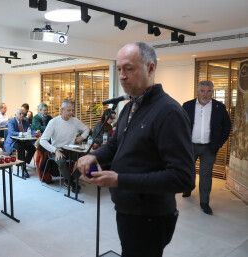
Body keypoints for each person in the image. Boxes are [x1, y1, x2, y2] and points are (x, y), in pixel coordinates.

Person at [76, 42, 194, 257]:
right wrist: (92, 155)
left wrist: (119, 180)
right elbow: (115, 144)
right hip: (128, 208)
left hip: (150, 216)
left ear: (150, 68)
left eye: (129, 68)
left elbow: (182, 178)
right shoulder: (130, 106)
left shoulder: (169, 112)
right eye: (119, 69)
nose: (121, 75)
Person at [181, 80, 231, 215]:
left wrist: (218, 144)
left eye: (209, 91)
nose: (205, 94)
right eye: (202, 91)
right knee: (188, 169)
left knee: (206, 175)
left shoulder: (219, 107)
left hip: (209, 148)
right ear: (198, 91)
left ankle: (204, 202)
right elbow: (179, 125)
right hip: (190, 146)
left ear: (212, 92)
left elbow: (227, 127)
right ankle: (188, 188)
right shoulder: (187, 106)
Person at [39, 100, 89, 192]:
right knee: (61, 162)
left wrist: (82, 137)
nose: (71, 113)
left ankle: (70, 180)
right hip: (56, 149)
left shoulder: (75, 121)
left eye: (72, 110)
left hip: (71, 148)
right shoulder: (53, 122)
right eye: (69, 110)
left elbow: (86, 129)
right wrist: (55, 150)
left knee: (88, 159)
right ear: (62, 110)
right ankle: (70, 182)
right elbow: (42, 140)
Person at [4, 109, 36, 178]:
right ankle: (23, 168)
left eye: (23, 114)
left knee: (32, 148)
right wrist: (21, 133)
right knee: (20, 147)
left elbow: (30, 130)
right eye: (20, 114)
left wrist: (35, 132)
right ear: (16, 114)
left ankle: (23, 162)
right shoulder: (11, 121)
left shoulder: (25, 121)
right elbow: (11, 132)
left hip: (23, 140)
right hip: (13, 141)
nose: (22, 115)